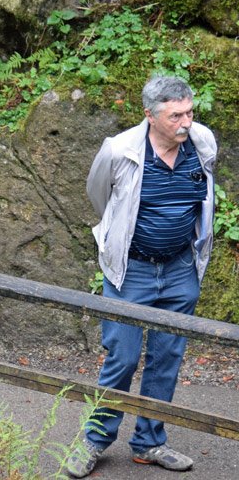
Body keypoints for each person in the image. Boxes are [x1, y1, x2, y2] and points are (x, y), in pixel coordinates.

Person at [67, 76, 217, 477]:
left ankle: (149, 442)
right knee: (124, 355)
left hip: (181, 270)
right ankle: (95, 440)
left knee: (167, 357)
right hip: (131, 271)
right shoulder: (120, 151)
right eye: (175, 116)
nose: (186, 123)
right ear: (149, 115)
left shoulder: (202, 143)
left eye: (189, 112)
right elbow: (99, 197)